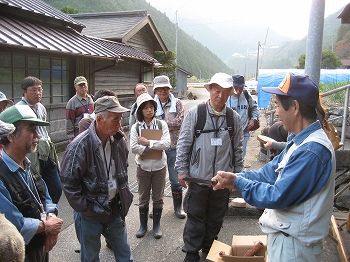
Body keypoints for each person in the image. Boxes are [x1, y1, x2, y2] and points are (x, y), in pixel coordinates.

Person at [213, 72, 336, 262]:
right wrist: (236, 178)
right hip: (288, 243)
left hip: (295, 250)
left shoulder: (311, 151)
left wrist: (239, 182)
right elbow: (268, 173)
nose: (276, 112)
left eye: (278, 105)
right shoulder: (299, 143)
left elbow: (277, 195)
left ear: (295, 107)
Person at [175, 72, 244, 262]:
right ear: (210, 90)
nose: (220, 95)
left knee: (216, 218)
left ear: (230, 93)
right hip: (198, 178)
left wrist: (237, 177)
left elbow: (238, 149)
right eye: (216, 90)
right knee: (195, 218)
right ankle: (191, 253)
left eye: (224, 91)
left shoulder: (234, 118)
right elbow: (183, 144)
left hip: (222, 182)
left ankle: (209, 249)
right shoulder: (195, 114)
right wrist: (181, 171)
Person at [60, 96, 134, 262]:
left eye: (120, 119)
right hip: (90, 212)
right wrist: (85, 208)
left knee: (125, 255)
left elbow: (124, 169)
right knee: (91, 257)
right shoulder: (79, 145)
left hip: (114, 207)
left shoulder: (119, 140)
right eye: (115, 120)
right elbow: (69, 183)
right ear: (99, 119)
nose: (119, 125)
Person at [0, 104, 64, 262]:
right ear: (10, 135)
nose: (37, 135)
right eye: (31, 129)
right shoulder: (2, 175)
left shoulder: (28, 165)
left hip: (40, 245)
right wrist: (47, 226)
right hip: (19, 253)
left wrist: (50, 217)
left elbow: (46, 197)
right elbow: (14, 222)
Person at [130, 93, 170, 239]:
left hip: (159, 167)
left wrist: (148, 143)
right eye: (146, 108)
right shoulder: (136, 127)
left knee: (158, 197)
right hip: (143, 167)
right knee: (143, 196)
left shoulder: (161, 124)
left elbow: (166, 144)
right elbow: (134, 147)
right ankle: (143, 226)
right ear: (140, 110)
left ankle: (157, 226)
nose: (149, 110)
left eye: (151, 107)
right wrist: (149, 149)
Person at [16, 76, 62, 204]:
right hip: (31, 152)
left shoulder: (41, 107)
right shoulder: (19, 109)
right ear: (24, 91)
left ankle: (50, 213)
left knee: (56, 188)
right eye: (33, 90)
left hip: (46, 149)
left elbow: (43, 130)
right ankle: (41, 216)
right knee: (35, 187)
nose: (38, 93)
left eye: (40, 90)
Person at [153, 75, 186, 219]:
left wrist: (160, 124)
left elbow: (180, 121)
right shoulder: (150, 104)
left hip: (174, 146)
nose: (162, 91)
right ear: (155, 90)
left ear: (169, 89)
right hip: (157, 146)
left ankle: (178, 208)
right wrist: (167, 124)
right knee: (156, 180)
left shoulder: (177, 103)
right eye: (159, 89)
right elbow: (148, 123)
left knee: (175, 178)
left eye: (165, 88)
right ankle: (156, 208)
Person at [226, 74, 259, 158]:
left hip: (244, 132)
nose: (238, 91)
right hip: (228, 133)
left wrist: (253, 119)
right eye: (236, 88)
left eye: (241, 88)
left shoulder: (246, 95)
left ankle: (238, 170)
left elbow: (254, 108)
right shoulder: (225, 97)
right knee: (228, 156)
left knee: (240, 156)